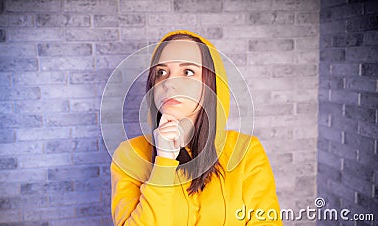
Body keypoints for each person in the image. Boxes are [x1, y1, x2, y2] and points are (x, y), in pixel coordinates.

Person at [110, 30, 282, 226]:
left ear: (211, 83)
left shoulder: (246, 151)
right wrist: (164, 162)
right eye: (161, 72)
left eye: (188, 72)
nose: (169, 83)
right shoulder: (129, 155)